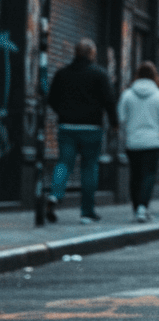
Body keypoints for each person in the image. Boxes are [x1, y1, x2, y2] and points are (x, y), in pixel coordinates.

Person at [46, 38, 119, 224]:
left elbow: (52, 98)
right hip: (91, 128)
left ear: (75, 53)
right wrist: (114, 123)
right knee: (89, 167)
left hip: (67, 126)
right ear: (92, 54)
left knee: (64, 162)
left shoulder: (62, 73)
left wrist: (63, 113)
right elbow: (110, 100)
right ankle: (86, 213)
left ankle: (54, 194)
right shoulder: (100, 74)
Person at [117, 62, 159, 222]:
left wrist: (125, 136)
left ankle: (137, 208)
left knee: (135, 175)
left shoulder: (127, 95)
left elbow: (121, 119)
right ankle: (143, 206)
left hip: (133, 141)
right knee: (149, 174)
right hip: (153, 142)